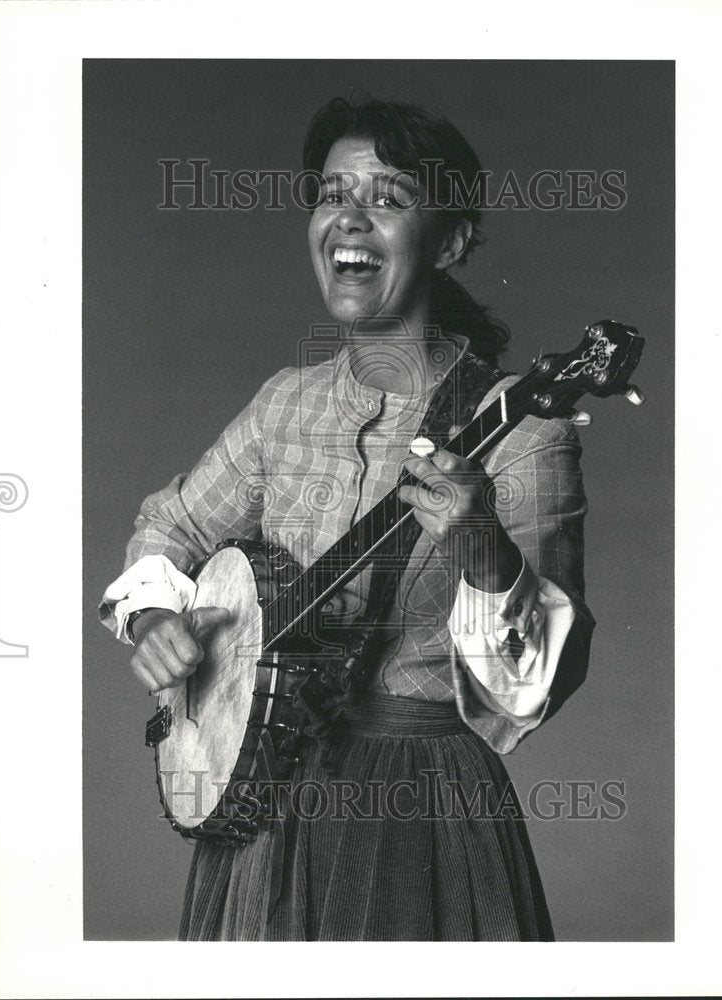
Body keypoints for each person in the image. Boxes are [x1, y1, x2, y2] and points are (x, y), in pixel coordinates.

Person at [99, 94, 595, 941]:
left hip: (420, 812)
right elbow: (169, 529)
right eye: (333, 194)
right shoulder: (283, 407)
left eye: (390, 198)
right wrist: (151, 617)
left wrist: (481, 549)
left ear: (452, 241)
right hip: (261, 800)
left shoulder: (525, 428)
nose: (350, 219)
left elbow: (539, 685)